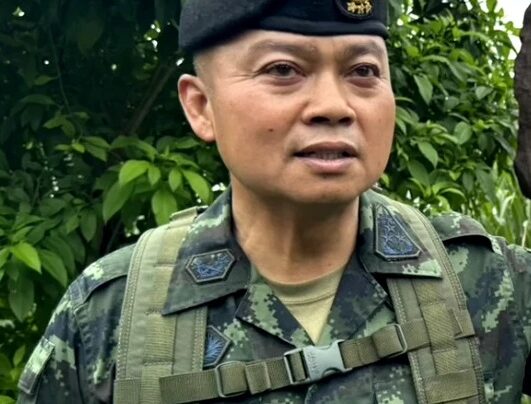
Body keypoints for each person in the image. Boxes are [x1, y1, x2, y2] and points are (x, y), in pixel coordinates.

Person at [17, 0, 531, 403]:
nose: (334, 106)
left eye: (363, 72)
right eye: (283, 70)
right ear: (201, 106)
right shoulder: (109, 319)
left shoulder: (490, 283)